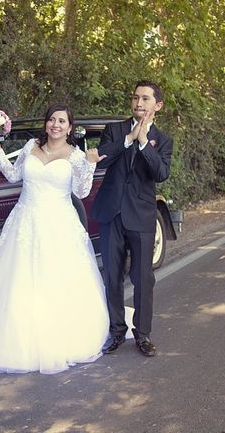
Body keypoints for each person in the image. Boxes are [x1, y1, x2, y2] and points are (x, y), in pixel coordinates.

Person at [0, 104, 109, 374]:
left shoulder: (75, 155)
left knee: (55, 279)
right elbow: (14, 175)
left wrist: (88, 165)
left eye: (62, 121)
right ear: (46, 124)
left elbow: (82, 191)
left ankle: (60, 339)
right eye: (52, 120)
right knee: (19, 279)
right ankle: (15, 343)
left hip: (59, 223)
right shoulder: (30, 146)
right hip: (24, 221)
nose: (56, 125)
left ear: (70, 127)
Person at [90, 80, 173, 357]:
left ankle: (143, 334)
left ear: (157, 105)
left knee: (143, 278)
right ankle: (116, 332)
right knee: (112, 276)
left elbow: (161, 173)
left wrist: (143, 144)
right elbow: (101, 160)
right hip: (111, 213)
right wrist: (127, 140)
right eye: (136, 97)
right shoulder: (113, 130)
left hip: (141, 217)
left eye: (146, 99)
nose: (139, 103)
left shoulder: (163, 140)